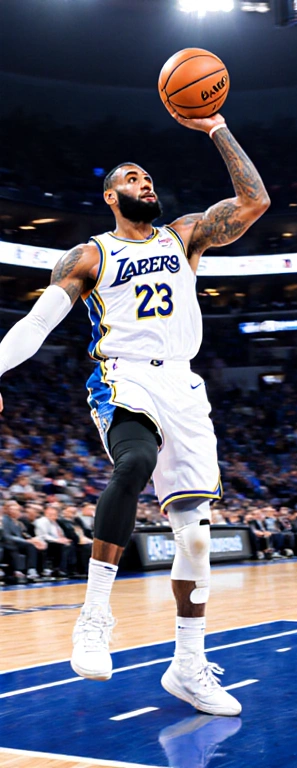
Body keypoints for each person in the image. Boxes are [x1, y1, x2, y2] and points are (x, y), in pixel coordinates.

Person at [0, 108, 267, 716]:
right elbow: (39, 322)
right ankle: (94, 617)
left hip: (184, 386)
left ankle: (188, 665)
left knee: (195, 539)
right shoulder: (89, 255)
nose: (145, 183)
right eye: (132, 178)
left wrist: (217, 128)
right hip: (122, 376)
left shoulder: (185, 234)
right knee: (135, 460)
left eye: (148, 178)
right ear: (110, 194)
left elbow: (253, 201)